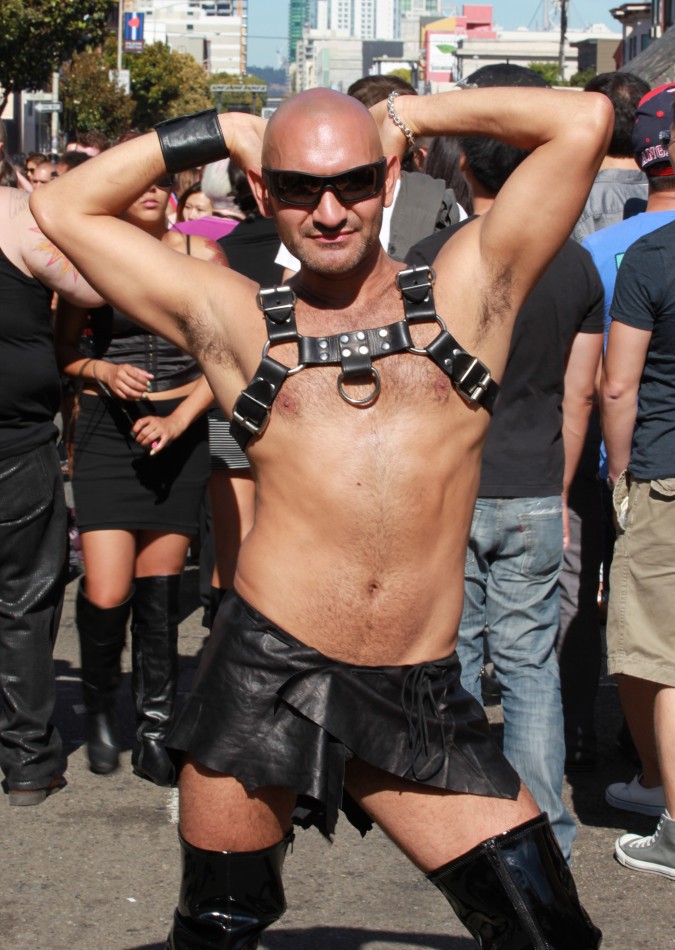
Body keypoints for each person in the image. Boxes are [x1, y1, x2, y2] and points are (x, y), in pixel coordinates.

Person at [32, 85, 611, 946]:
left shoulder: (469, 285)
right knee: (220, 925)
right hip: (262, 675)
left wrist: (415, 109)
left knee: (545, 931)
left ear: (389, 175)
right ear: (263, 193)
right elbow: (62, 204)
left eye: (352, 183)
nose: (330, 211)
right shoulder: (233, 321)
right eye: (300, 187)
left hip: (414, 692)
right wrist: (220, 131)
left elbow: (583, 120)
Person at [406, 63, 604, 862]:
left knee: (449, 663)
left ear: (462, 163)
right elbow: (578, 394)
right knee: (530, 669)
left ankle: (461, 823)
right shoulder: (576, 262)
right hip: (532, 485)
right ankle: (546, 829)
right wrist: (553, 493)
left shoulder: (425, 255)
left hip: (449, 488)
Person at [54, 158, 226, 787]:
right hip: (106, 437)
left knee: (158, 600)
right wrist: (101, 372)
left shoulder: (203, 258)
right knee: (105, 591)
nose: (150, 191)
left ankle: (156, 728)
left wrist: (181, 419)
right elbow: (63, 351)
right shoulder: (89, 262)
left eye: (160, 182)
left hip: (178, 435)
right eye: (139, 183)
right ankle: (101, 710)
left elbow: (230, 356)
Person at [562, 83, 675, 787]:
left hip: (624, 465)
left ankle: (604, 752)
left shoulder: (599, 251)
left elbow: (605, 382)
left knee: (628, 635)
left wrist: (617, 464)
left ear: (641, 159)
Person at [0, 186, 103, 805]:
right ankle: (29, 760)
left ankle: (31, 762)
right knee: (22, 601)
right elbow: (92, 288)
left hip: (16, 441)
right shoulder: (17, 213)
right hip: (16, 442)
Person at [600, 190, 675, 879]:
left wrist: (619, 473)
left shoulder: (650, 255)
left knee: (655, 652)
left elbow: (617, 386)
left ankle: (671, 819)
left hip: (666, 477)